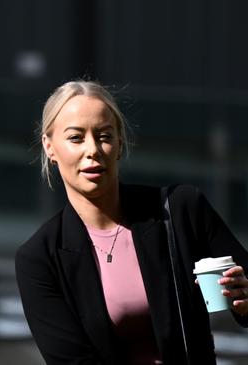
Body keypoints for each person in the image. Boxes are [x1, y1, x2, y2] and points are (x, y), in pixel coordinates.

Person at [15, 80, 248, 364]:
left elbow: (245, 287)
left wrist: (243, 300)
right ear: (50, 147)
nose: (93, 150)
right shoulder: (40, 258)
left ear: (119, 142)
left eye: (104, 135)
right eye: (76, 138)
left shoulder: (181, 210)